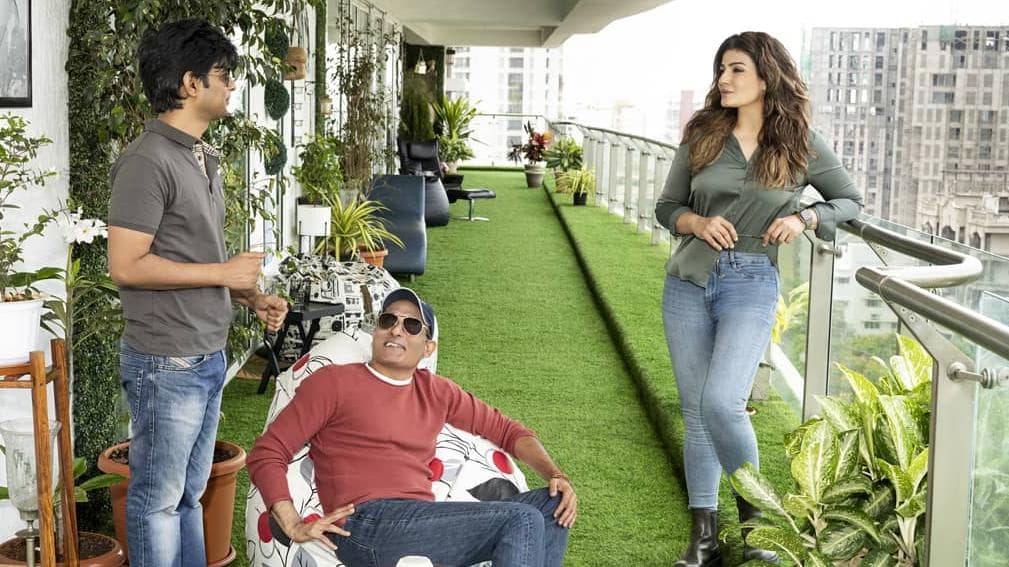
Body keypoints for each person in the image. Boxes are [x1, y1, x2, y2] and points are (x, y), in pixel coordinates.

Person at [655, 32, 863, 567]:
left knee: (723, 402)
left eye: (737, 70)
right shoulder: (702, 134)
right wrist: (696, 222)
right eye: (721, 69)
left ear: (767, 78)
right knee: (697, 412)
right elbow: (667, 207)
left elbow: (849, 200)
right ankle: (703, 539)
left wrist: (805, 217)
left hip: (751, 282)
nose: (723, 79)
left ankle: (758, 527)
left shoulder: (800, 143)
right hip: (687, 281)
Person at [107, 19, 288, 567]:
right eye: (223, 74)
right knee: (159, 501)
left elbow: (195, 257)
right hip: (166, 360)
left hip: (206, 355)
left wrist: (250, 296)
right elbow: (127, 265)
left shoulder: (201, 156)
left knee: (188, 496)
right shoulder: (147, 161)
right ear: (190, 83)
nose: (232, 84)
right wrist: (224, 272)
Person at [247, 288, 577, 567]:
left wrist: (555, 474)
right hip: (363, 525)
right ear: (376, 331)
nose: (396, 330)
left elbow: (507, 430)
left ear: (428, 347)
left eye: (412, 325)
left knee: (552, 504)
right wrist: (292, 522)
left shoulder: (437, 391)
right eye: (388, 320)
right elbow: (268, 451)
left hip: (419, 520)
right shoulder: (334, 382)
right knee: (520, 519)